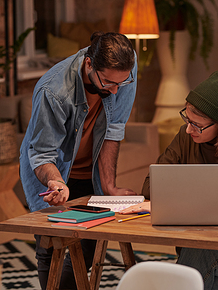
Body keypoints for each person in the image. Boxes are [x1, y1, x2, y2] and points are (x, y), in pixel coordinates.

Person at [120, 70, 218, 290]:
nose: (189, 129)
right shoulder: (185, 137)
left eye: (197, 125)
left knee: (201, 251)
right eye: (187, 119)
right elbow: (151, 187)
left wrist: (176, 201)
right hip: (199, 247)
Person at [19, 31, 138, 289]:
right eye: (108, 83)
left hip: (90, 173)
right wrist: (56, 183)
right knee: (51, 248)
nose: (116, 90)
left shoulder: (126, 68)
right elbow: (42, 154)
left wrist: (109, 187)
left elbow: (114, 127)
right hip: (54, 171)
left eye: (122, 83)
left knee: (85, 248)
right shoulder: (53, 91)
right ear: (88, 64)